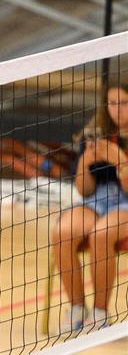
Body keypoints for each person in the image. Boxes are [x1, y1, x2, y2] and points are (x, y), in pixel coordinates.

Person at [53, 81, 128, 333]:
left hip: (126, 203)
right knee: (63, 232)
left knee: (101, 234)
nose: (118, 109)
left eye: (124, 103)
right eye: (113, 103)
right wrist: (86, 162)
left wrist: (120, 161)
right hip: (96, 199)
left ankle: (100, 314)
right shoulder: (95, 134)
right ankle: (77, 308)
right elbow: (83, 191)